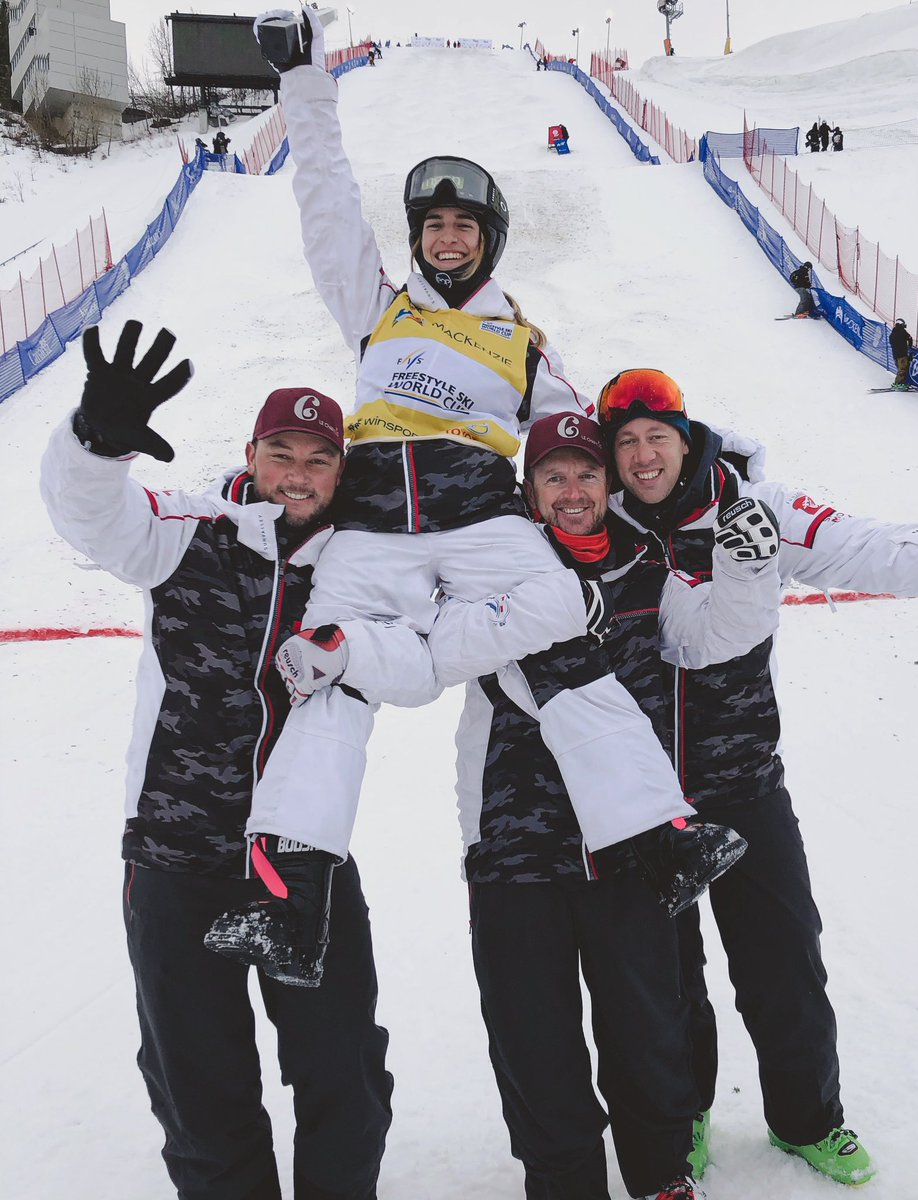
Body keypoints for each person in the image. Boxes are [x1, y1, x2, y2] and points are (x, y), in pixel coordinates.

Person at [205, 6, 746, 987]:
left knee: (564, 645)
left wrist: (684, 477)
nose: (446, 238)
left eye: (463, 226)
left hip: (481, 518)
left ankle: (658, 835)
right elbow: (326, 208)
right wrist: (302, 83)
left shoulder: (523, 344)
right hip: (375, 523)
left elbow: (586, 450)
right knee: (323, 678)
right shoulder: (378, 311)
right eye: (432, 225)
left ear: (488, 240)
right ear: (417, 238)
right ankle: (291, 897)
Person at [594, 367, 918, 1187]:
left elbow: (865, 546)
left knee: (784, 964)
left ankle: (807, 1119)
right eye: (625, 442)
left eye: (656, 436)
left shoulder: (755, 507)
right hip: (640, 796)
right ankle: (682, 1114)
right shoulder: (601, 524)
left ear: (687, 439)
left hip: (743, 781)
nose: (642, 455)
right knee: (662, 978)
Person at [38, 320, 435, 1199]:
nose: (297, 474)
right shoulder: (190, 532)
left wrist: (352, 649)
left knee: (345, 1076)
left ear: (340, 472)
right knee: (199, 1087)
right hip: (175, 858)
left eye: (318, 460)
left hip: (301, 858)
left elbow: (419, 665)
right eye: (280, 453)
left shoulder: (363, 567)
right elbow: (93, 517)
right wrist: (94, 444)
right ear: (252, 456)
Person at [426, 411, 783, 1200]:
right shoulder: (489, 572)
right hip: (515, 843)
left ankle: (660, 1175)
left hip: (630, 839)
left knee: (648, 1026)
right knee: (532, 1039)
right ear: (529, 492)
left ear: (606, 482)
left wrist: (748, 569)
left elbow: (709, 641)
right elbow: (439, 652)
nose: (571, 491)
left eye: (586, 473)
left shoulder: (644, 565)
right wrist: (544, 610)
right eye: (552, 476)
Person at [889, 317, 914, 389]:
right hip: (902, 354)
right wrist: (909, 347)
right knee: (902, 370)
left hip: (895, 355)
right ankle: (898, 384)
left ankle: (901, 383)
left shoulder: (892, 333)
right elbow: (910, 338)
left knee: (900, 369)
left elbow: (891, 343)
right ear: (901, 324)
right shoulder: (902, 331)